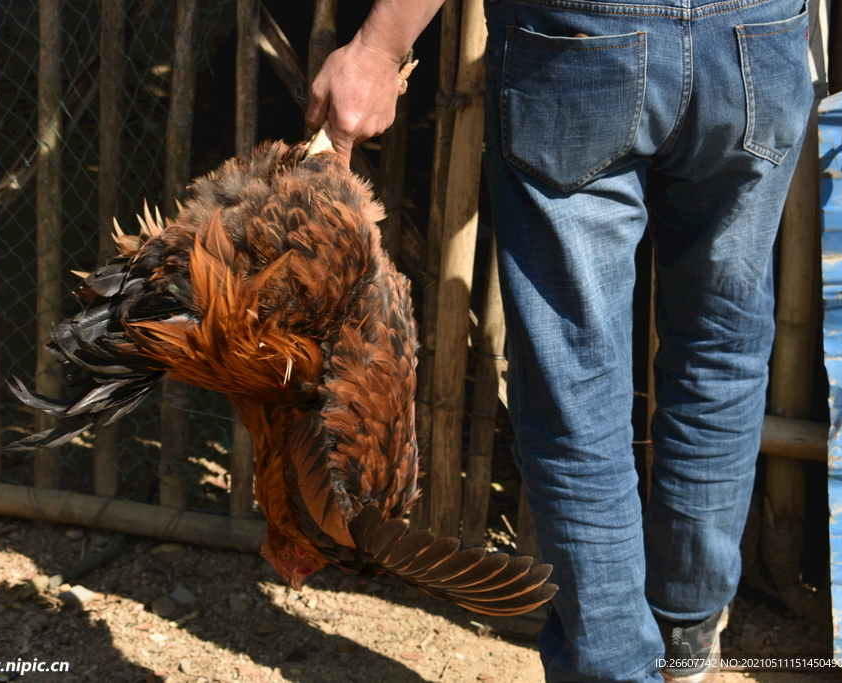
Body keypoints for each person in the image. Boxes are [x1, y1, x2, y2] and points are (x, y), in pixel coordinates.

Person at [305, 0, 814, 681]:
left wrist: (377, 46)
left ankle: (618, 665)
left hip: (583, 37)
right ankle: (685, 633)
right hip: (757, 31)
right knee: (723, 343)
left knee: (577, 385)